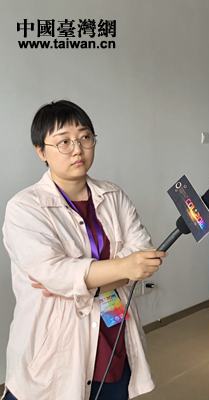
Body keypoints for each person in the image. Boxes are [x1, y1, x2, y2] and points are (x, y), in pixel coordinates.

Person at [2, 100, 165, 400]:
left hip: (113, 329)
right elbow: (54, 273)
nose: (77, 149)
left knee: (112, 385)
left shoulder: (113, 195)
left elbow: (141, 253)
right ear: (41, 151)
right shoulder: (24, 207)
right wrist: (123, 268)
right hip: (54, 350)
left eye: (85, 137)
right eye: (64, 141)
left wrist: (83, 281)